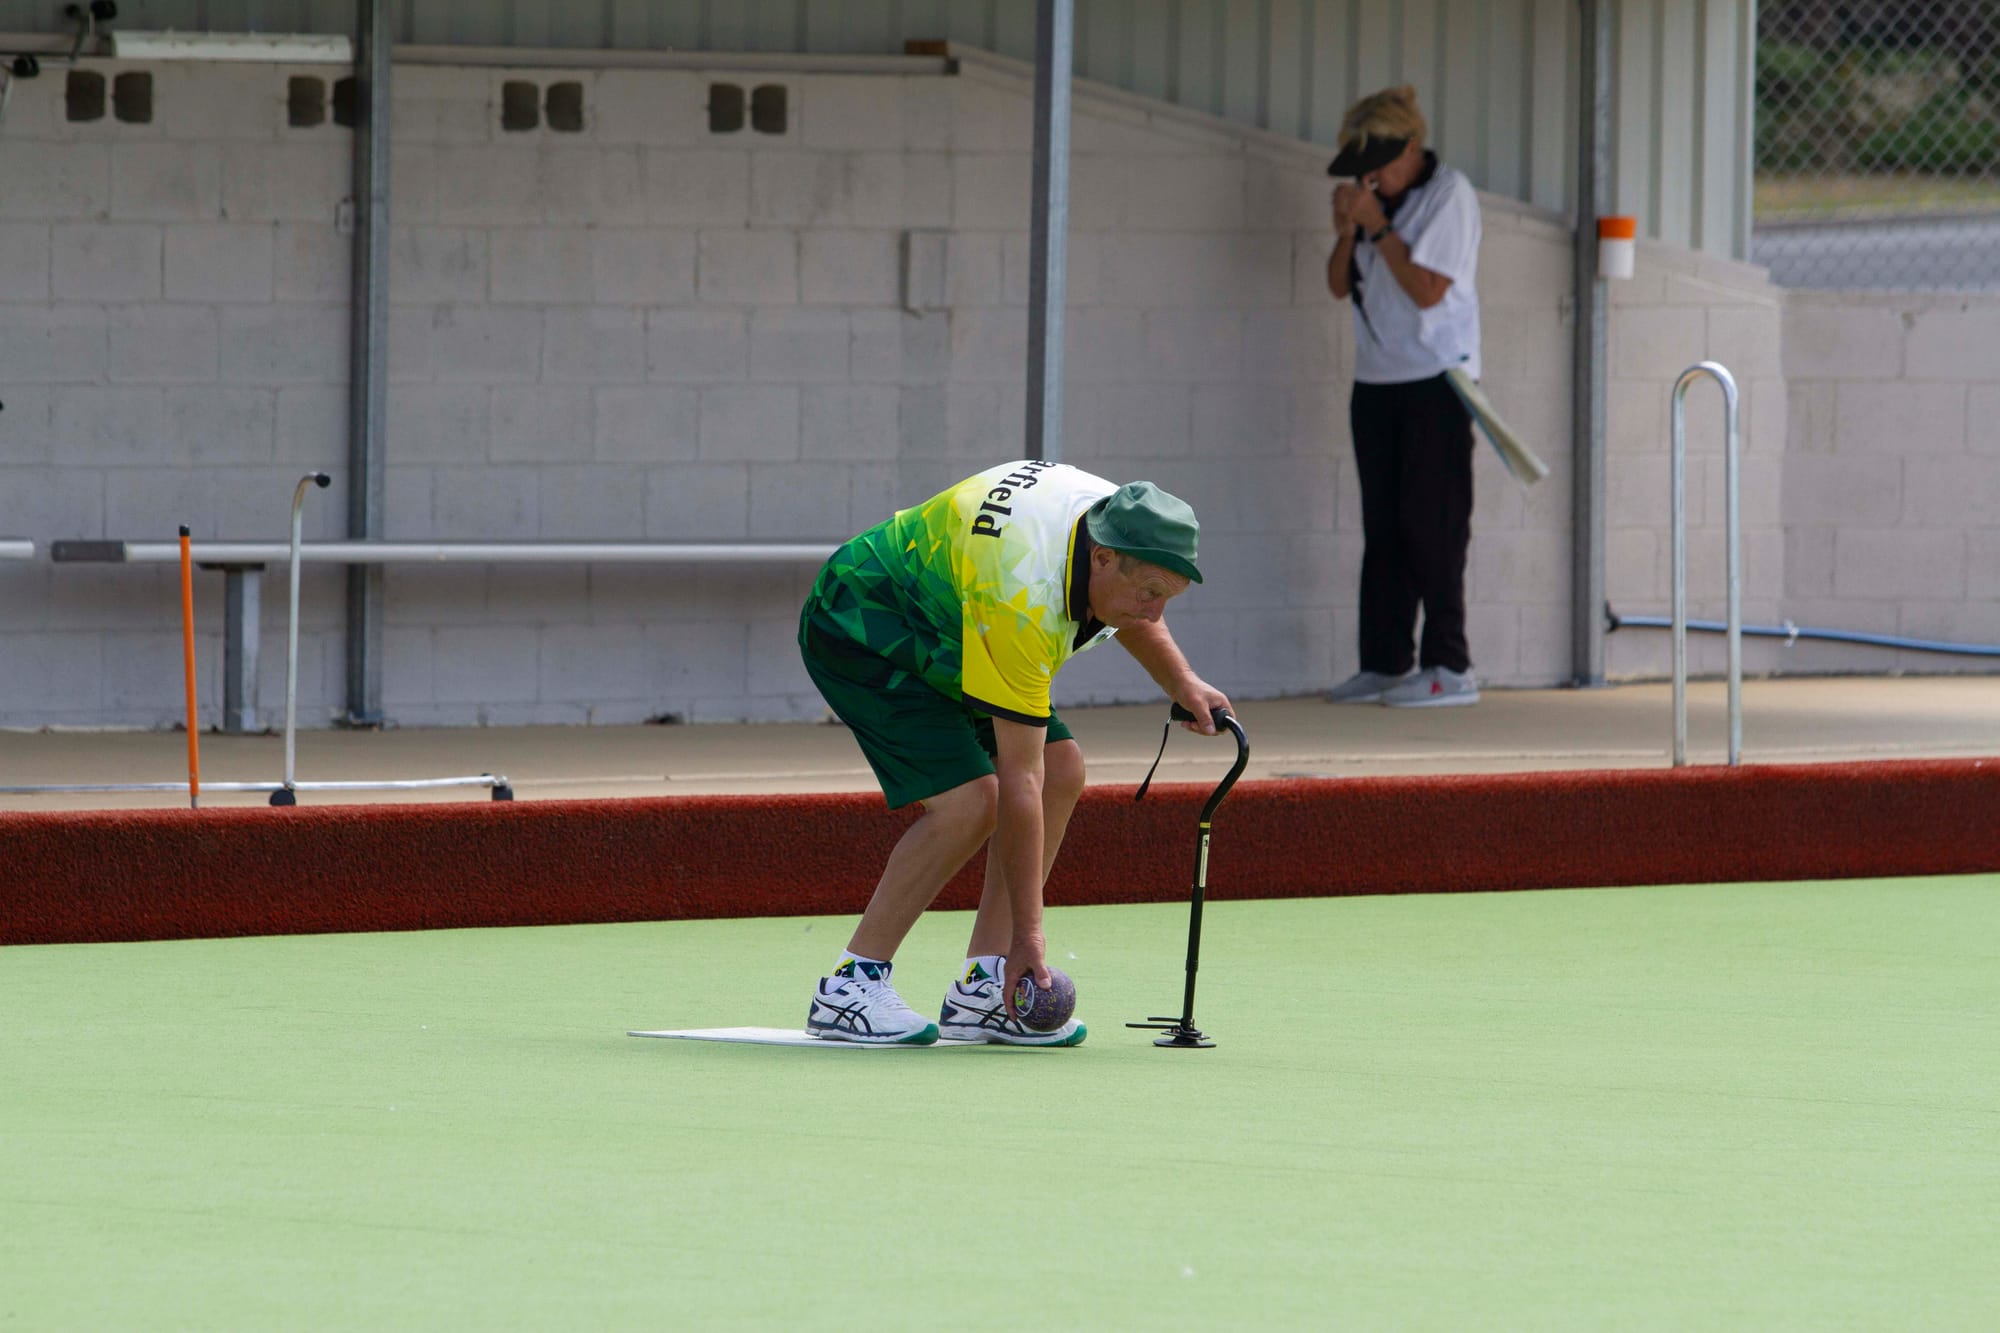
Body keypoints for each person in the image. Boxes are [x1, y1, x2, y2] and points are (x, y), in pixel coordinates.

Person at [796, 460, 1231, 1046]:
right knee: (974, 802)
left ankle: (984, 985)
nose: (1155, 612)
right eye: (1150, 593)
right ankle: (850, 986)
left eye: (1168, 598)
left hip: (960, 623)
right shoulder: (1024, 594)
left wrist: (1180, 680)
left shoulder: (1120, 520)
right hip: (865, 624)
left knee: (1064, 770)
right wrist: (1033, 937)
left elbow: (1124, 607)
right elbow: (1019, 779)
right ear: (1102, 557)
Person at [1322, 85, 1484, 708]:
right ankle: (1386, 661)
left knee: (1433, 526)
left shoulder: (1450, 197)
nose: (1376, 177)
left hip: (1436, 381)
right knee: (1384, 526)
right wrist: (1346, 230)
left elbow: (1427, 291)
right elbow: (1339, 286)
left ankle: (1451, 665)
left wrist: (1379, 225)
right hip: (1377, 381)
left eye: (1384, 164)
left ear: (1412, 148)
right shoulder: (1372, 202)